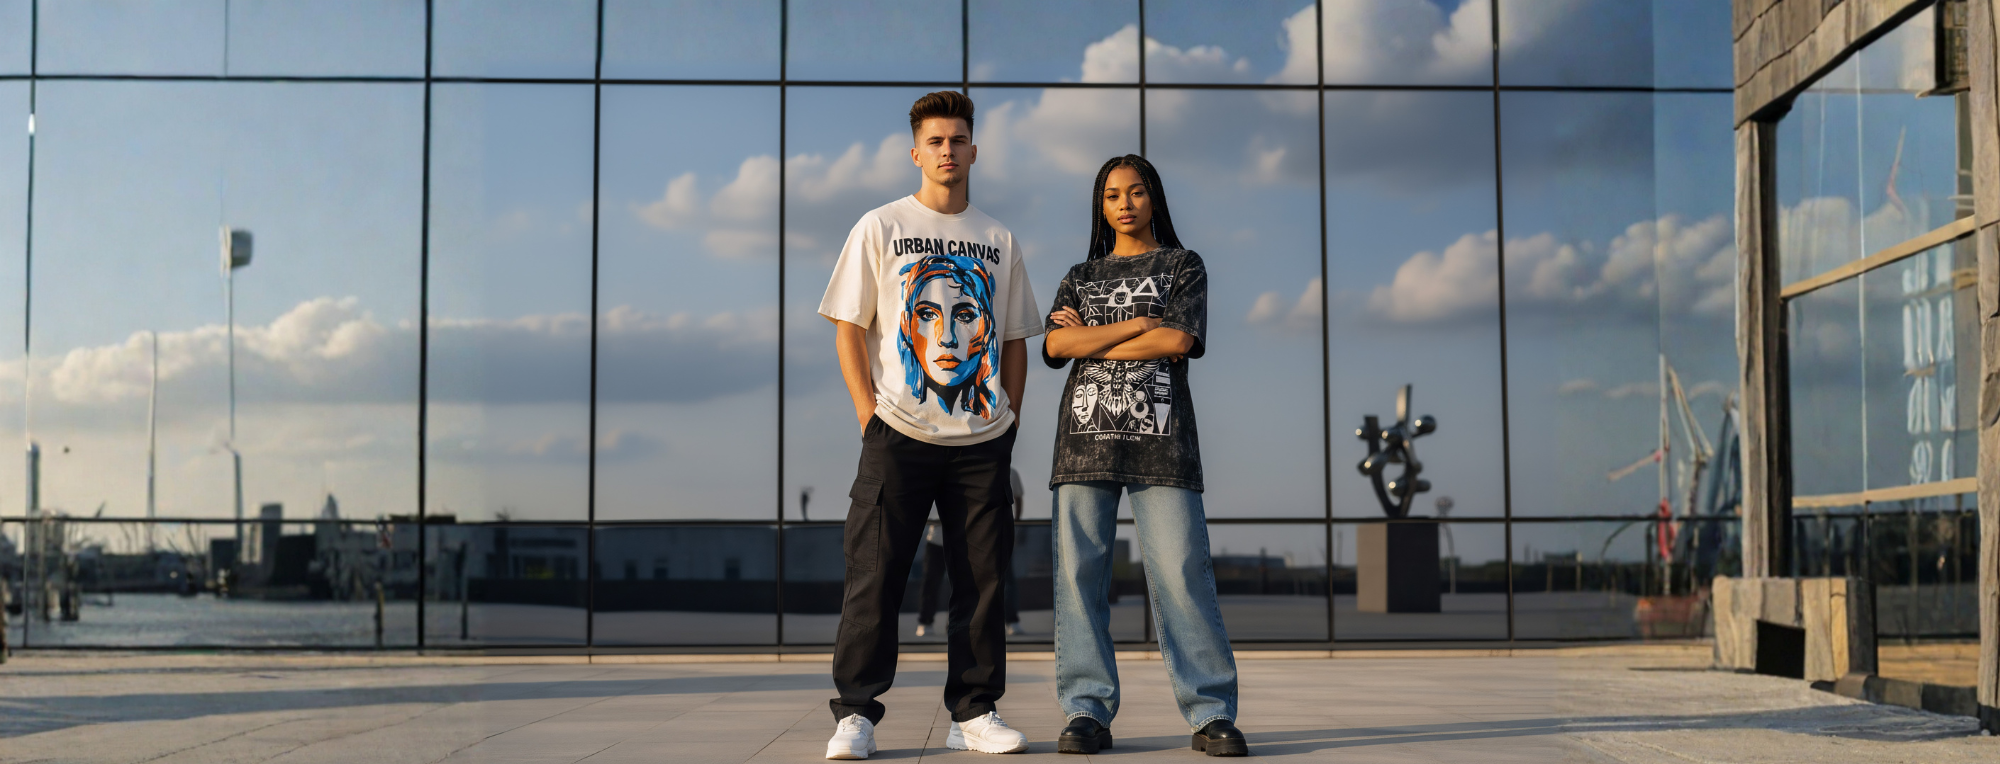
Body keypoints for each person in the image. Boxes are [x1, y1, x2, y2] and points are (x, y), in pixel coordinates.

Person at [818, 91, 1042, 760]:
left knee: (982, 583)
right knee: (875, 577)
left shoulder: (998, 239)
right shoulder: (880, 226)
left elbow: (1016, 343)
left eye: (958, 140)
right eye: (936, 141)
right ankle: (856, 714)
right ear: (916, 152)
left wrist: (1008, 422)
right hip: (896, 436)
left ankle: (974, 711)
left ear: (974, 150)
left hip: (981, 443)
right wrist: (868, 416)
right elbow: (848, 329)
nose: (948, 150)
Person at [1041, 154, 1248, 757]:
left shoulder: (1183, 265)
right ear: (1101, 207)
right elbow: (1056, 343)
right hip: (1083, 446)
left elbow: (1178, 339)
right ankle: (1086, 710)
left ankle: (1210, 712)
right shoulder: (1079, 275)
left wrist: (1093, 339)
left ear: (1153, 198)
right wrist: (1138, 325)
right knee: (1079, 578)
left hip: (1164, 446)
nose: (1125, 204)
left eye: (1135, 192)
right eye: (1112, 196)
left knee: (1183, 573)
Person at [918, 468, 1024, 638]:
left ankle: (1005, 621)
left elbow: (1016, 498)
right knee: (933, 582)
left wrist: (1016, 527)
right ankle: (926, 621)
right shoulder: (941, 470)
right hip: (938, 537)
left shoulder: (1006, 471)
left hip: (979, 536)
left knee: (979, 582)